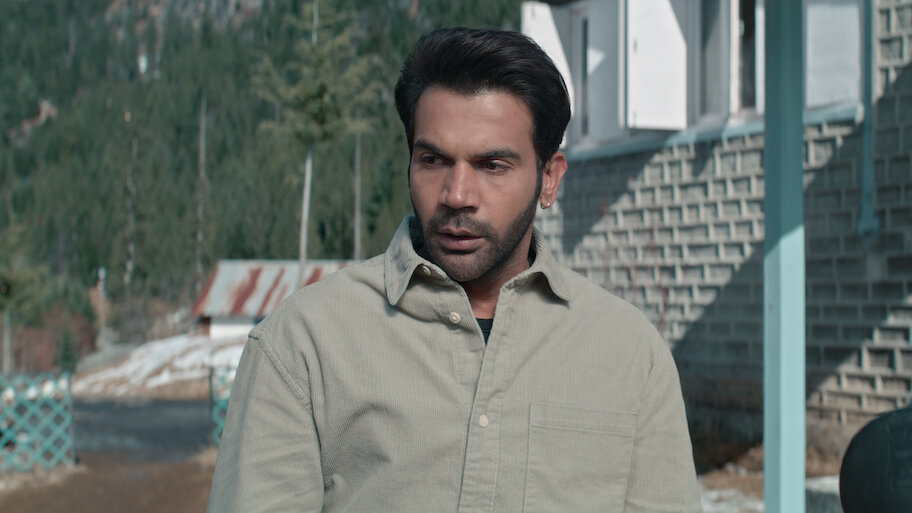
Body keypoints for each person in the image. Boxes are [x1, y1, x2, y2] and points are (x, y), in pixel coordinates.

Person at [207, 27, 702, 513]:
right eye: (434, 160)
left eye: (492, 165)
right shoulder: (303, 343)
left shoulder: (630, 354)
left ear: (549, 179)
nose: (457, 195)